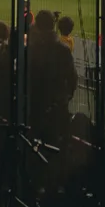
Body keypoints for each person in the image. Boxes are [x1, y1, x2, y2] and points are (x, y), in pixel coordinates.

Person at [27, 10, 78, 197]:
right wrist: (66, 97)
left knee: (33, 143)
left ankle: (34, 185)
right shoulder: (62, 49)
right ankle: (56, 187)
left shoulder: (30, 48)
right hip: (57, 105)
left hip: (35, 105)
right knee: (58, 145)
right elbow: (72, 78)